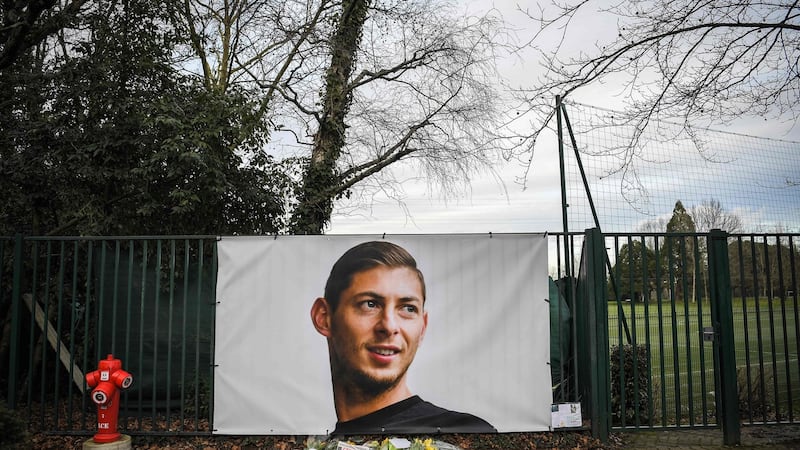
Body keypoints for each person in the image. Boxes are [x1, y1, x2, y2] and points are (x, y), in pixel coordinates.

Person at [310, 241, 496, 435]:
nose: (389, 326)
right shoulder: (317, 442)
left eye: (408, 308)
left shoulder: (462, 432)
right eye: (370, 304)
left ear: (422, 328)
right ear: (324, 317)